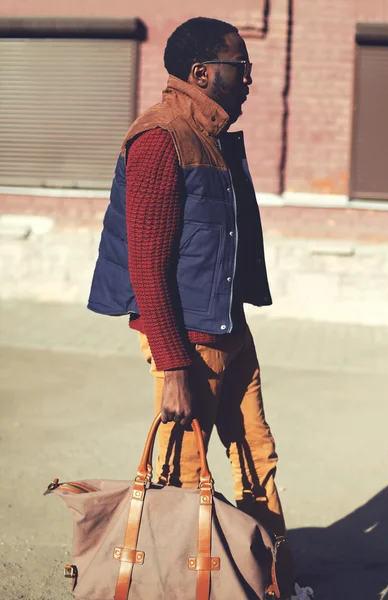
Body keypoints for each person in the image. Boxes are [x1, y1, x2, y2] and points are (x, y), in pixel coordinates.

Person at [88, 17, 313, 600]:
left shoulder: (211, 135)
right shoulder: (161, 137)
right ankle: (195, 589)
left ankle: (272, 585)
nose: (249, 80)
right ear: (202, 73)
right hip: (188, 340)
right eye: (241, 68)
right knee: (191, 481)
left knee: (257, 459)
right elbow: (148, 263)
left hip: (228, 326)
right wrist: (173, 367)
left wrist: (237, 321)